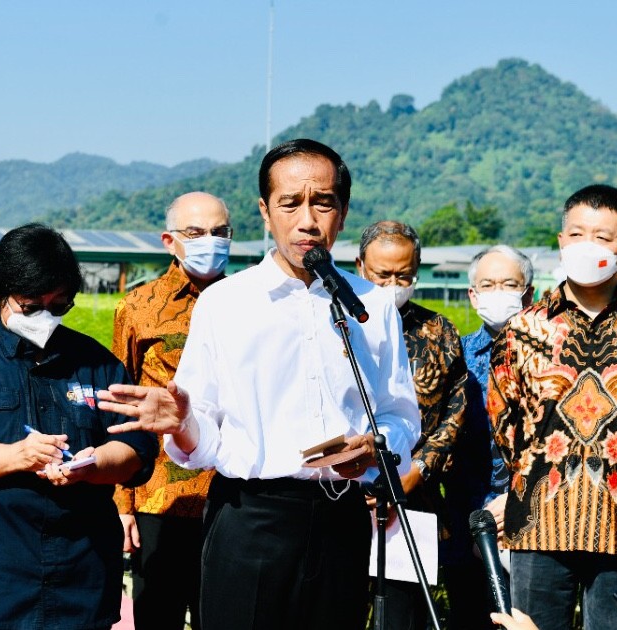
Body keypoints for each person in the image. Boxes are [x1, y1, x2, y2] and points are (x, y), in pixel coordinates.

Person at [99, 139, 421, 629]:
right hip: (251, 518)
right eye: (290, 203)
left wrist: (377, 449)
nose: (307, 220)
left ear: (343, 212)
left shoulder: (372, 306)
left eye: (323, 203)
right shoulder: (226, 303)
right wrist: (183, 423)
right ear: (265, 212)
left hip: (342, 519)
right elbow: (204, 434)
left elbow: (401, 416)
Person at [0, 223, 159, 630]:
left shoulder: (96, 363)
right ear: (1, 291)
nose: (45, 317)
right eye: (31, 305)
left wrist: (93, 464)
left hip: (79, 581)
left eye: (59, 306)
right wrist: (16, 456)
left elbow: (137, 451)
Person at [490, 184, 617, 630]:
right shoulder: (521, 331)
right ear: (560, 240)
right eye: (576, 234)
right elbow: (505, 422)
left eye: (602, 237)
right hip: (539, 523)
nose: (586, 245)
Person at [354, 220, 483, 629]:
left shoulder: (439, 332)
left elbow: (455, 411)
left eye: (404, 275)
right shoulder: (332, 325)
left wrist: (417, 471)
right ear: (360, 267)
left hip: (414, 498)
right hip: (341, 497)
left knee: (404, 616)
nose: (393, 285)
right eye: (382, 275)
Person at [112, 191, 230, 630]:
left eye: (220, 232)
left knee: (221, 616)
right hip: (158, 495)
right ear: (169, 241)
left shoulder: (246, 304)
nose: (210, 242)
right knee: (157, 616)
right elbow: (121, 407)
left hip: (230, 494)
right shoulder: (138, 308)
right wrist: (122, 503)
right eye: (196, 233)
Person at [462, 245, 534, 534]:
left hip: (532, 510)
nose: (498, 292)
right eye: (488, 285)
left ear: (527, 294)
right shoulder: (457, 355)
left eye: (509, 285)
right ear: (473, 295)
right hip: (466, 509)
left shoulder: (552, 358)